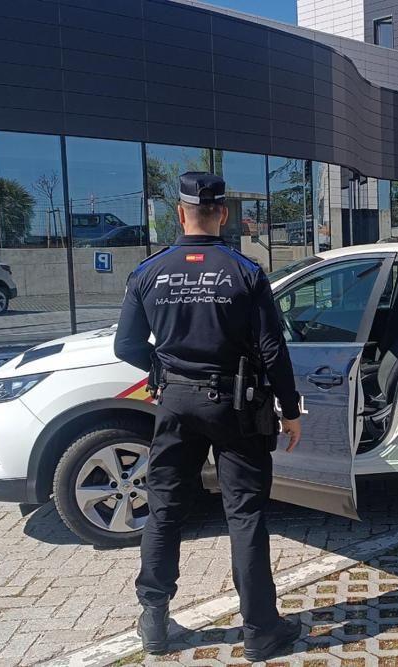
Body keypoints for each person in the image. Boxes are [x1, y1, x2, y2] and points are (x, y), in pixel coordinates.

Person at [114, 172, 303, 661]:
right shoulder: (245, 271)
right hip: (236, 407)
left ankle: (153, 623)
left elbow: (126, 346)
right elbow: (270, 348)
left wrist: (161, 368)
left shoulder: (149, 271)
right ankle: (261, 632)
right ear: (222, 214)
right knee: (245, 516)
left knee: (165, 510)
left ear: (179, 214)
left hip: (175, 404)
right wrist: (289, 409)